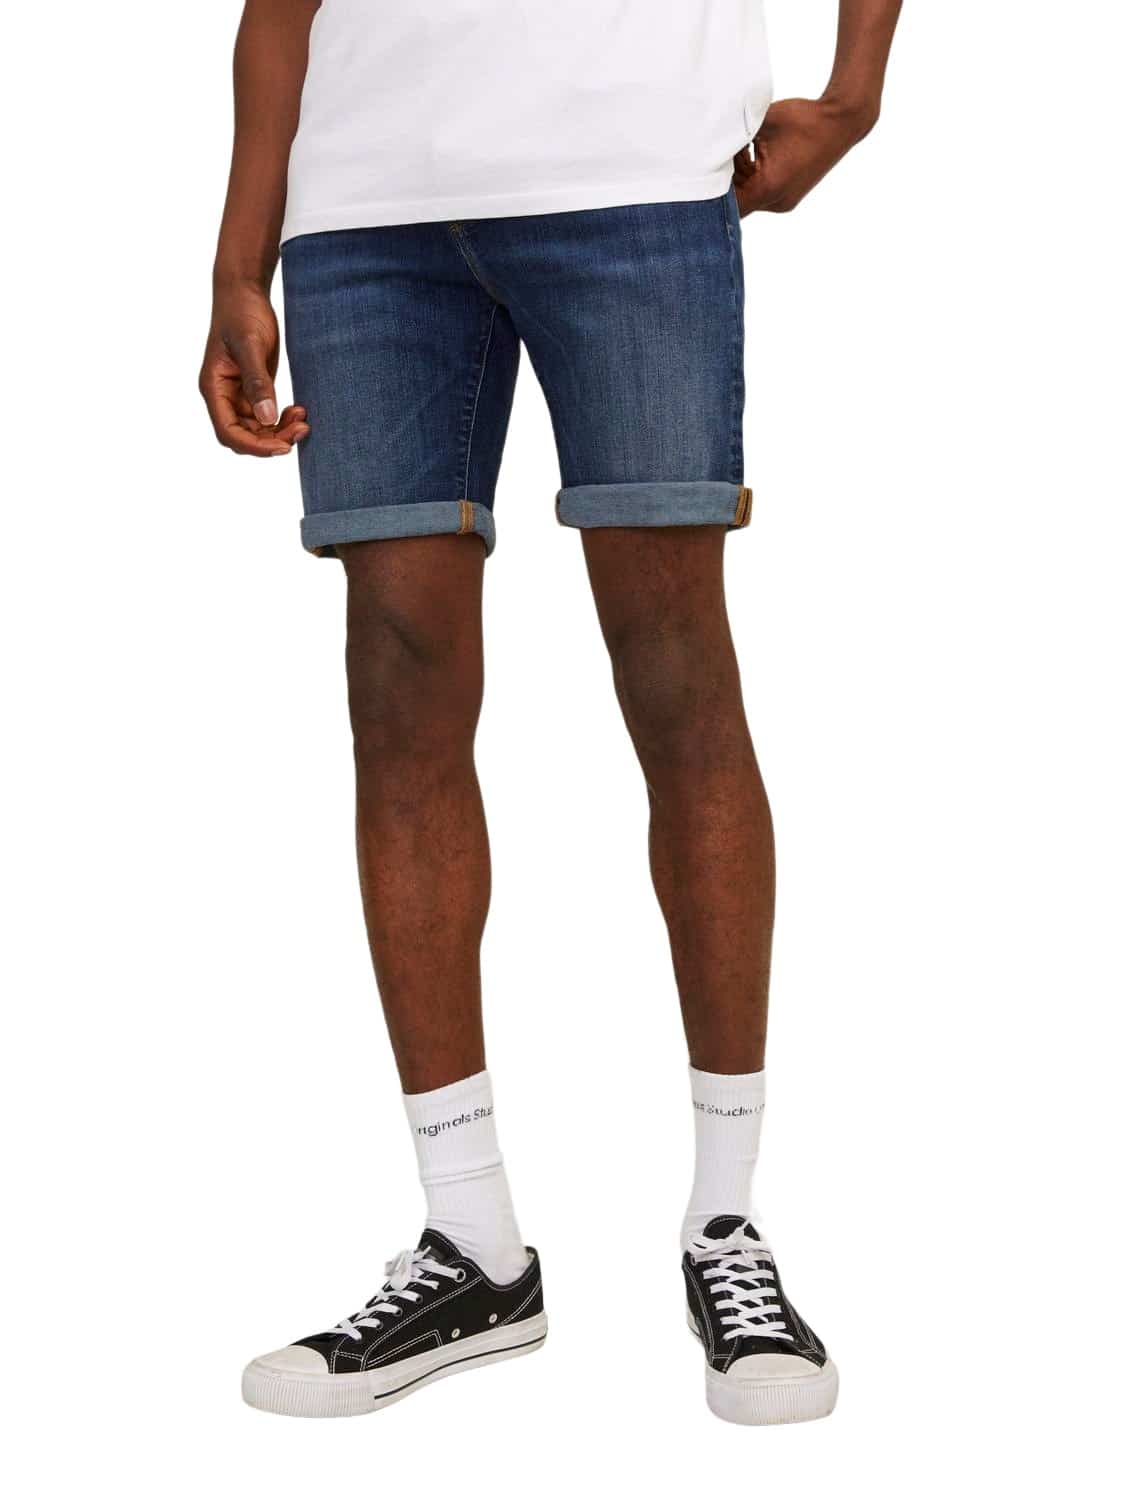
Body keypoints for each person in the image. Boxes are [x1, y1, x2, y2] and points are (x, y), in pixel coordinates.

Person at [201, 0, 901, 1426]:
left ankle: (726, 1224)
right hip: (365, 210)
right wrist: (238, 256)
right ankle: (473, 1244)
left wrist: (855, 92)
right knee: (396, 687)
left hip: (633, 175)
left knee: (675, 673)